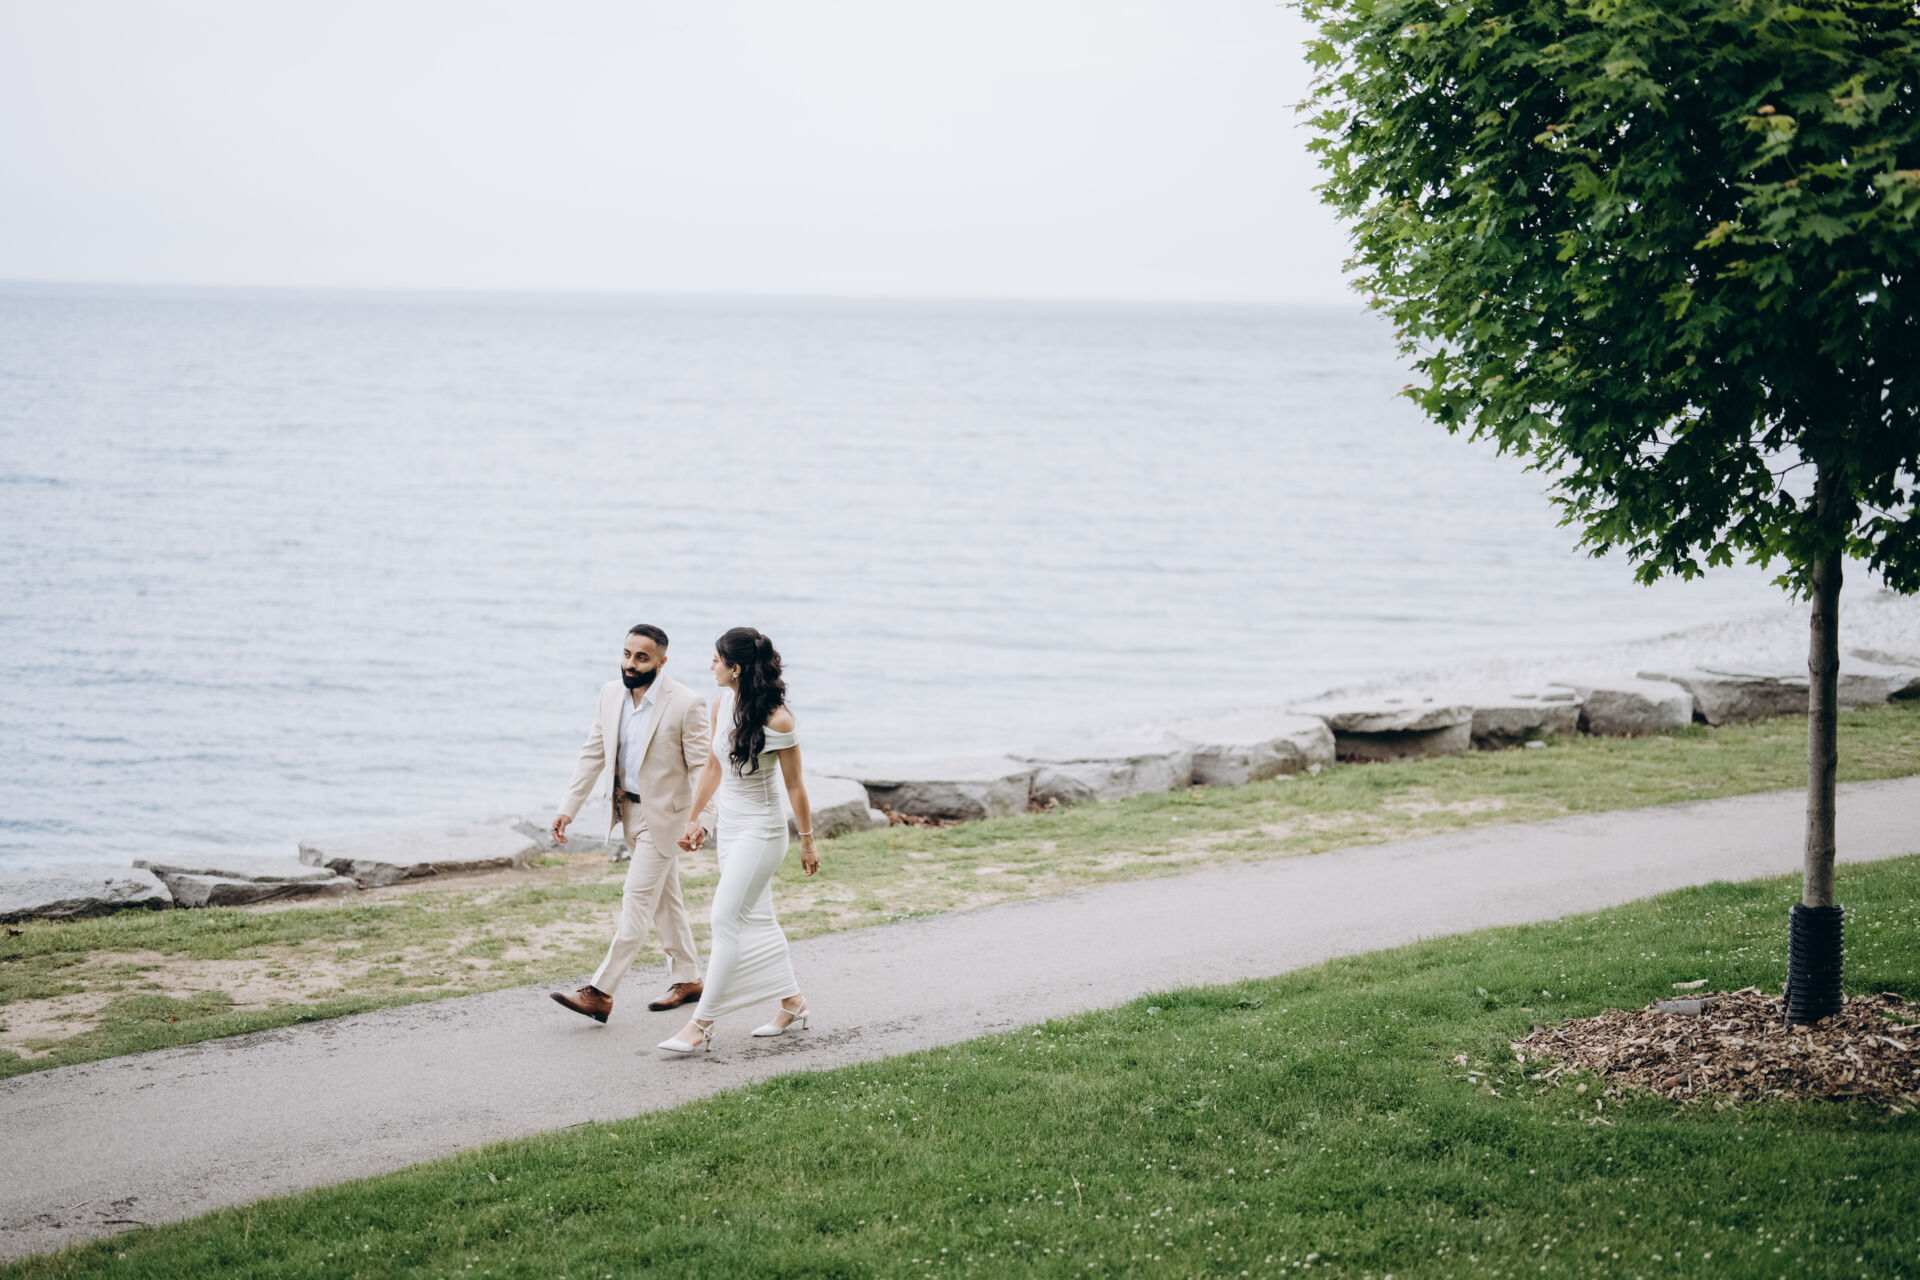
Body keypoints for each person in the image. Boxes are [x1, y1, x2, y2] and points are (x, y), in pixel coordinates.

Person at [658, 626, 818, 1054]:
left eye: (717, 660)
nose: (710, 666)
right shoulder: (722, 704)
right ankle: (793, 1003)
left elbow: (796, 786)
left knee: (724, 919)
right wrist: (696, 820)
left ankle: (701, 1023)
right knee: (759, 919)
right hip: (730, 829)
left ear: (737, 668)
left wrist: (807, 840)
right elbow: (714, 768)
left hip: (763, 832)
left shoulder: (778, 720)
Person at [548, 624, 712, 1022]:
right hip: (629, 813)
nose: (630, 664)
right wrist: (568, 807)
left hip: (668, 819)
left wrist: (701, 820)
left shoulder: (686, 703)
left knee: (636, 898)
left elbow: (702, 767)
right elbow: (593, 753)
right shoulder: (610, 695)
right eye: (626, 654)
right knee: (665, 900)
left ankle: (600, 992)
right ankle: (689, 979)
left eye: (641, 657)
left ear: (661, 661)